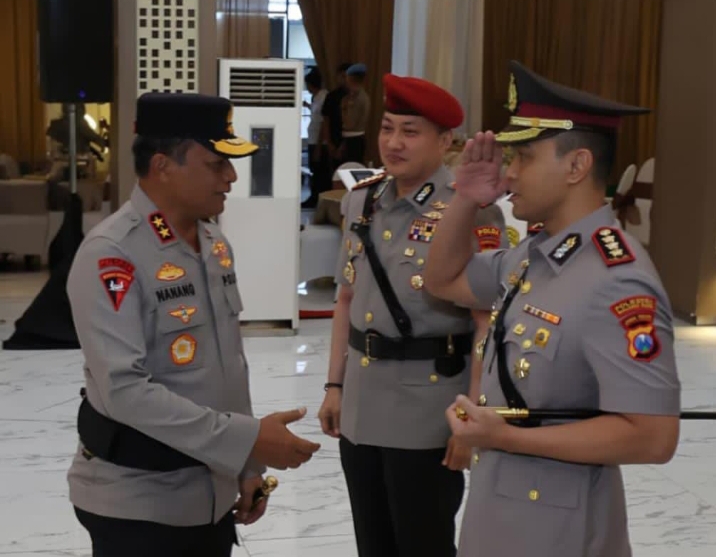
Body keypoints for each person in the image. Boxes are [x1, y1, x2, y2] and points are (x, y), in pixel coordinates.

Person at [423, 60, 681, 556]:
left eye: (524, 157)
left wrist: (506, 437)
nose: (509, 172)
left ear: (576, 166)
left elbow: (653, 437)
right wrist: (466, 200)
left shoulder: (617, 278)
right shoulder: (535, 254)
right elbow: (443, 280)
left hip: (559, 531)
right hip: (500, 512)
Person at [66, 92, 321, 557]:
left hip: (210, 493)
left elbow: (228, 365)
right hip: (139, 504)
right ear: (162, 165)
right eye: (216, 164)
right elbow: (125, 390)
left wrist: (245, 465)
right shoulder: (112, 253)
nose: (231, 177)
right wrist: (248, 439)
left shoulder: (212, 242)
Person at [318, 73, 508, 557]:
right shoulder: (362, 201)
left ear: (445, 141)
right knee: (373, 543)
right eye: (387, 128)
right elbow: (346, 299)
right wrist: (335, 385)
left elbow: (486, 324)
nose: (393, 143)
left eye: (410, 131)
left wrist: (470, 417)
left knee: (423, 544)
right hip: (361, 407)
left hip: (428, 412)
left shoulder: (469, 209)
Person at [302, 67, 331, 208]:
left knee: (320, 172)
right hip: (312, 139)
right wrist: (307, 105)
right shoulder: (316, 97)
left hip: (319, 142)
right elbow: (316, 113)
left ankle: (318, 199)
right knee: (314, 170)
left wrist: (319, 146)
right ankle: (314, 197)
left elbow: (323, 122)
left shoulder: (324, 97)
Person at [320, 62, 351, 173]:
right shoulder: (331, 96)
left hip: (351, 140)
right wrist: (329, 143)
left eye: (346, 76)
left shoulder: (355, 96)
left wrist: (344, 144)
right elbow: (326, 120)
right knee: (335, 173)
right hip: (334, 139)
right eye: (341, 76)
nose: (344, 79)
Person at [338, 63, 371, 165]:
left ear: (352, 79)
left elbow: (350, 124)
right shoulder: (353, 96)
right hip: (350, 139)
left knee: (352, 168)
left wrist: (344, 108)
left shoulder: (359, 98)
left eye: (346, 77)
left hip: (354, 140)